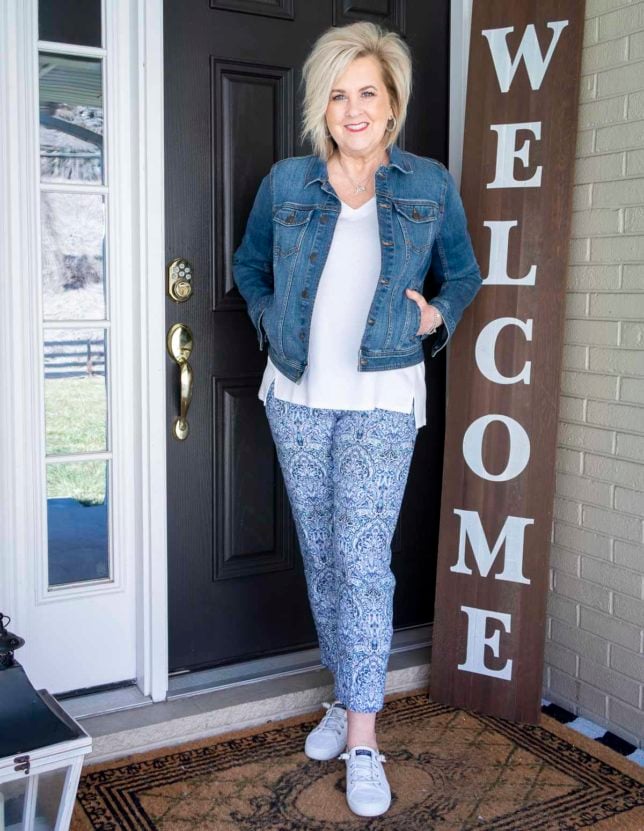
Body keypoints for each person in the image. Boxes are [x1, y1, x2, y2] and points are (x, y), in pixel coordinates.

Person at [233, 20, 482, 818]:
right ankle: (345, 696)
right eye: (338, 95)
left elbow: (465, 274)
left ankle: (365, 738)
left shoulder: (429, 184)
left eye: (367, 92)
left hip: (383, 394)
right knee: (324, 557)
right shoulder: (286, 184)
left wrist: (434, 316)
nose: (353, 109)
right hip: (297, 394)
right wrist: (269, 320)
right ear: (322, 106)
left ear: (392, 102)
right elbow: (249, 268)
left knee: (363, 560)